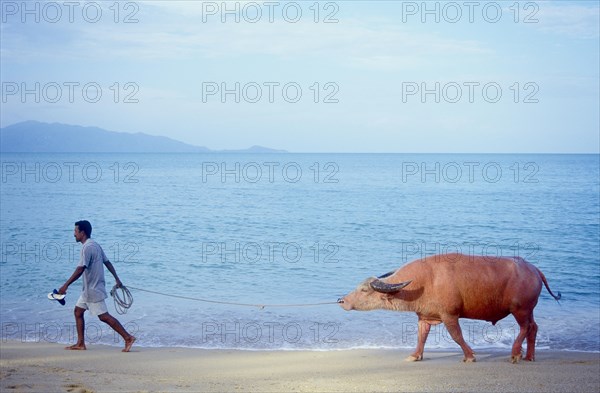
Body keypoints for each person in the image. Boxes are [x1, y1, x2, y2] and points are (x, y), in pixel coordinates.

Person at [58, 220, 136, 352]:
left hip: (93, 290)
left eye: (75, 231)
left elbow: (80, 269)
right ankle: (81, 343)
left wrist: (65, 285)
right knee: (78, 311)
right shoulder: (95, 245)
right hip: (89, 290)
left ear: (82, 233)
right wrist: (117, 279)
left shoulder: (87, 247)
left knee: (103, 316)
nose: (74, 234)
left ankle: (128, 337)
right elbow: (108, 262)